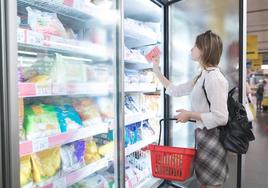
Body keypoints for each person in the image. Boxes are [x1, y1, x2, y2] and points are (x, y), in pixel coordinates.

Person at [153, 30, 229, 188]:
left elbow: (221, 117)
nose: (191, 49)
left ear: (204, 50)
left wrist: (190, 114)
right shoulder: (202, 75)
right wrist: (157, 70)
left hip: (212, 139)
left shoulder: (214, 78)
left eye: (195, 46)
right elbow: (176, 90)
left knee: (212, 183)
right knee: (205, 181)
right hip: (203, 136)